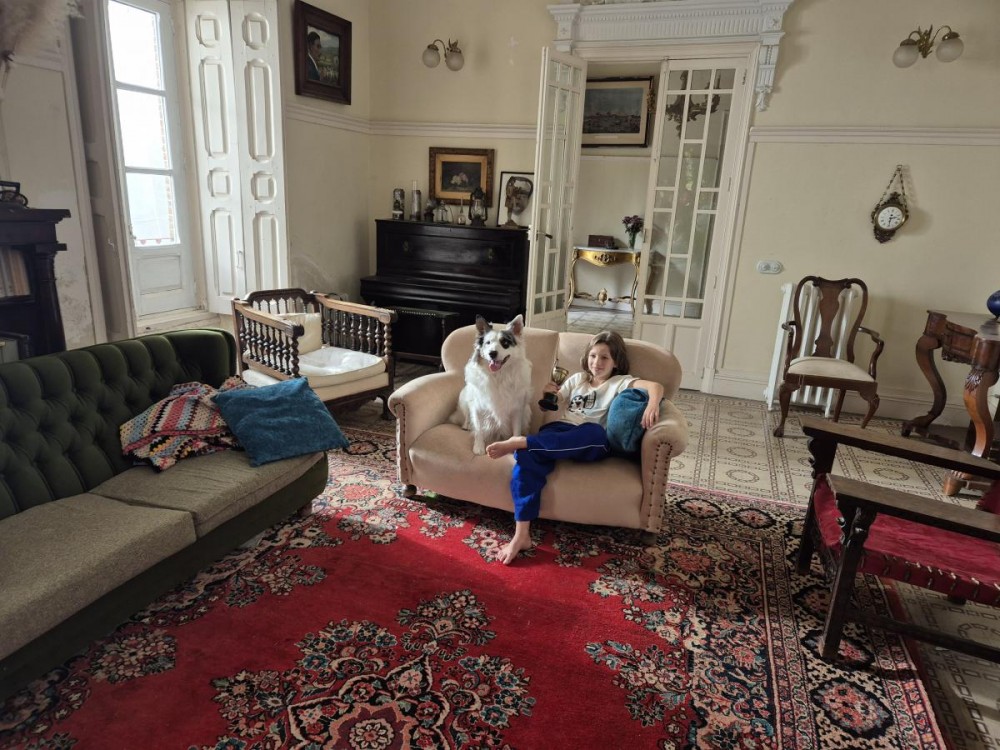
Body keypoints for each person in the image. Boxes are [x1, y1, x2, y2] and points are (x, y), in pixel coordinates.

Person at [486, 331, 664, 565]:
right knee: (526, 461)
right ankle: (521, 535)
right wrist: (548, 395)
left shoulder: (619, 382)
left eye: (604, 358)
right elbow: (552, 406)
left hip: (589, 437)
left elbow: (655, 386)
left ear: (616, 362)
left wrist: (652, 405)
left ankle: (523, 441)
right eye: (593, 356)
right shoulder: (577, 379)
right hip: (560, 430)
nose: (597, 362)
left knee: (595, 434)